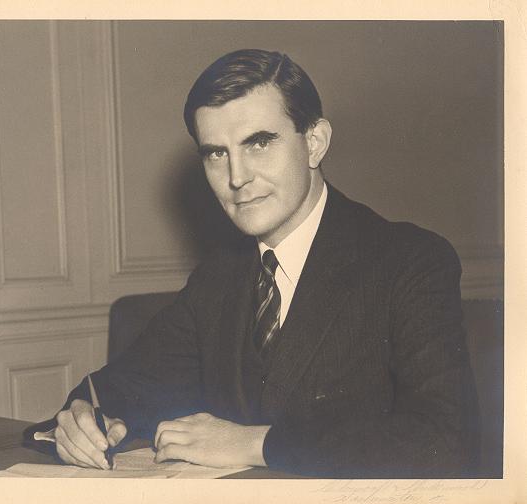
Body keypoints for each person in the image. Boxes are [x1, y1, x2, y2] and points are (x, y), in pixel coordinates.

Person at [35, 49, 480, 478]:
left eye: (259, 143)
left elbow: (445, 444)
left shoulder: (409, 260)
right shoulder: (219, 276)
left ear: (315, 143)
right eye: (216, 153)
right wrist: (83, 417)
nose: (236, 177)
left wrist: (254, 443)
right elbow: (123, 387)